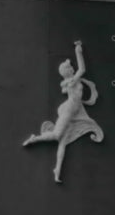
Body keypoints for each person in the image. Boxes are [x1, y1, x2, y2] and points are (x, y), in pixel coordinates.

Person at [23, 40, 103, 183]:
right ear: (68, 71)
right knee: (56, 135)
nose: (73, 68)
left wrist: (78, 50)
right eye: (71, 67)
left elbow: (81, 71)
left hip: (73, 112)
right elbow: (82, 69)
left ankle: (57, 170)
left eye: (72, 66)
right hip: (69, 111)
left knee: (63, 142)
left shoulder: (71, 81)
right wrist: (78, 50)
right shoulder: (72, 81)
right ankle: (34, 138)